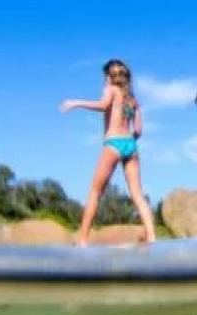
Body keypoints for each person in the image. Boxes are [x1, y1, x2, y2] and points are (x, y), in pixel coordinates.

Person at [59, 59, 158, 246]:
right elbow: (138, 130)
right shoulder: (132, 99)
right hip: (130, 144)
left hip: (113, 143)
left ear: (108, 77)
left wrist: (75, 103)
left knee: (95, 193)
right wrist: (129, 140)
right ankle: (152, 236)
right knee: (138, 194)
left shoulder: (111, 90)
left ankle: (82, 239)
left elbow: (103, 105)